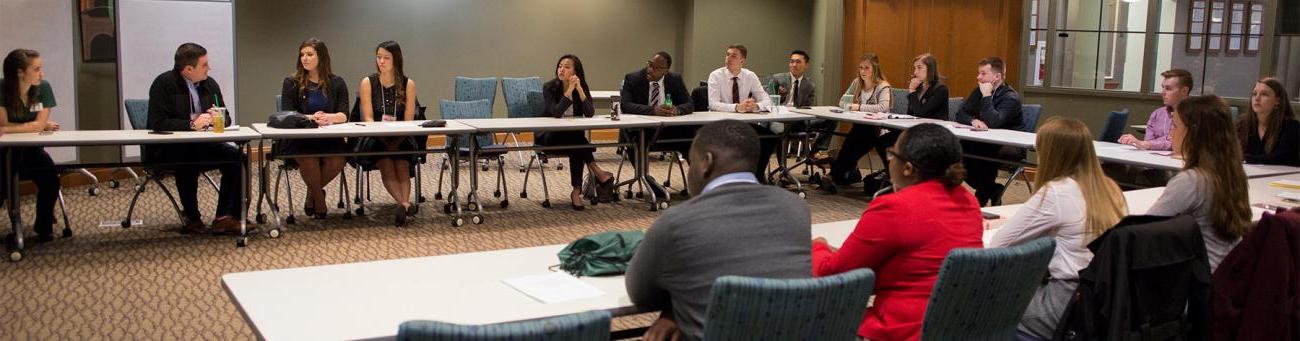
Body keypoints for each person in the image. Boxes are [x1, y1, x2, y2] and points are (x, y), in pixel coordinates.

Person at [626, 120, 811, 341]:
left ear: (706, 162)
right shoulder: (796, 208)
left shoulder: (677, 222)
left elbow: (641, 296)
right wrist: (675, 313)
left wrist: (676, 308)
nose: (691, 170)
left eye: (691, 162)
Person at [811, 123, 982, 340]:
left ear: (908, 168)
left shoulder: (895, 207)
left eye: (892, 155)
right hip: (955, 328)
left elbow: (831, 275)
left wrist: (817, 245)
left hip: (898, 330)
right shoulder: (968, 201)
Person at [987, 117, 1127, 340]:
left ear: (1050, 154)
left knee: (986, 303)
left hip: (1063, 307)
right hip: (1103, 304)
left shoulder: (1056, 192)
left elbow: (998, 246)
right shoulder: (1109, 188)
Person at [146, 42, 243, 235]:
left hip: (204, 145)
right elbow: (157, 122)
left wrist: (219, 118)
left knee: (237, 157)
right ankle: (192, 218)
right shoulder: (163, 84)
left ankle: (225, 217)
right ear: (189, 69)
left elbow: (227, 117)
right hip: (170, 149)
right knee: (187, 159)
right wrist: (191, 125)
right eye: (205, 65)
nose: (210, 68)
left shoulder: (210, 84)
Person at [1147, 94, 1252, 271]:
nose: (1171, 133)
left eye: (1175, 126)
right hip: (1224, 276)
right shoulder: (1231, 175)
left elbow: (1145, 230)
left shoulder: (1192, 181)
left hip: (1196, 284)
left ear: (1193, 132)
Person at [278, 38, 348, 219]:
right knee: (309, 160)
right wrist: (311, 117)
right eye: (302, 55)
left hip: (329, 137)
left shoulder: (337, 82)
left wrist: (328, 117)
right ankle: (320, 199)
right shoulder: (291, 82)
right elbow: (287, 113)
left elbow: (344, 114)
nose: (305, 58)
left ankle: (312, 195)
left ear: (321, 57)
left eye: (309, 54)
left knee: (337, 161)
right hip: (301, 138)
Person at [537, 54, 615, 210]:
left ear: (575, 71)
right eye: (560, 66)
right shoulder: (549, 87)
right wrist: (569, 91)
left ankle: (576, 191)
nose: (561, 70)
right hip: (549, 136)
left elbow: (590, 112)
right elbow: (557, 113)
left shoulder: (581, 87)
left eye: (567, 67)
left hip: (572, 139)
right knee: (579, 142)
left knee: (577, 144)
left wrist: (579, 89)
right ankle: (597, 173)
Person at [0, 49, 62, 243]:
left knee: (51, 180)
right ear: (20, 72)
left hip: (31, 149)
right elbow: (4, 124)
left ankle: (43, 225)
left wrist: (14, 127)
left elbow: (7, 127)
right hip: (3, 151)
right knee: (1, 185)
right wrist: (35, 126)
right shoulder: (2, 88)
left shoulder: (43, 88)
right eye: (36, 69)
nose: (41, 73)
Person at [358, 41, 417, 226]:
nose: (381, 61)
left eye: (386, 58)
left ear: (396, 60)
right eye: (379, 57)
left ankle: (403, 204)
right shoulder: (368, 83)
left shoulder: (408, 84)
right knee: (386, 162)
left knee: (401, 163)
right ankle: (405, 205)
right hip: (376, 137)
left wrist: (397, 140)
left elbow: (409, 120)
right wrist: (383, 138)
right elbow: (367, 117)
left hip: (402, 137)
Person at [954, 56, 1022, 206]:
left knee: (979, 151)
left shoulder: (1010, 97)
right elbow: (960, 113)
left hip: (1009, 145)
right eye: (979, 73)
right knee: (957, 148)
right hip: (985, 141)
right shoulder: (979, 90)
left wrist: (986, 96)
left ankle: (984, 191)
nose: (978, 77)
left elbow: (993, 122)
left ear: (997, 76)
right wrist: (973, 121)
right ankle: (991, 189)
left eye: (983, 74)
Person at [706, 44, 778, 183]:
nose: (728, 58)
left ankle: (757, 175)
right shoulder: (716, 75)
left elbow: (767, 100)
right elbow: (713, 104)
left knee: (770, 138)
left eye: (733, 56)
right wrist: (737, 107)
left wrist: (755, 106)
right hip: (721, 124)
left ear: (742, 61)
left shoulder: (750, 76)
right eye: (727, 54)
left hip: (743, 124)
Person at [618, 51, 695, 182]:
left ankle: (701, 180)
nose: (650, 69)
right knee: (635, 143)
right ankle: (647, 180)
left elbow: (689, 104)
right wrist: (653, 110)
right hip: (640, 131)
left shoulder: (674, 79)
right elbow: (626, 105)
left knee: (691, 138)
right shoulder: (633, 78)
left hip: (668, 131)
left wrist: (678, 110)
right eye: (650, 64)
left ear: (666, 71)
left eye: (656, 68)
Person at [825, 53, 892, 194]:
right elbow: (842, 101)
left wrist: (858, 107)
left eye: (866, 68)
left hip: (877, 129)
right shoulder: (857, 83)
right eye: (861, 67)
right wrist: (850, 105)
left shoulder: (883, 86)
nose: (863, 71)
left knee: (852, 144)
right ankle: (837, 175)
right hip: (861, 127)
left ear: (875, 69)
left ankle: (835, 174)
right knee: (850, 146)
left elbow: (883, 107)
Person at [1116, 69, 1193, 151]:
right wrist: (1145, 144)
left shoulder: (1194, 114)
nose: (1162, 93)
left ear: (1184, 91)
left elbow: (1175, 143)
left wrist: (1146, 144)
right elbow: (1148, 142)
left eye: (1168, 88)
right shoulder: (1157, 114)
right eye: (1163, 87)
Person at [1237, 77, 1298, 166]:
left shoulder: (1291, 127)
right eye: (1254, 94)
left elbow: (1280, 158)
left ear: (1277, 101)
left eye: (1264, 94)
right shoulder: (1242, 124)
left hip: (1282, 177)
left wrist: (1242, 158)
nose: (1257, 98)